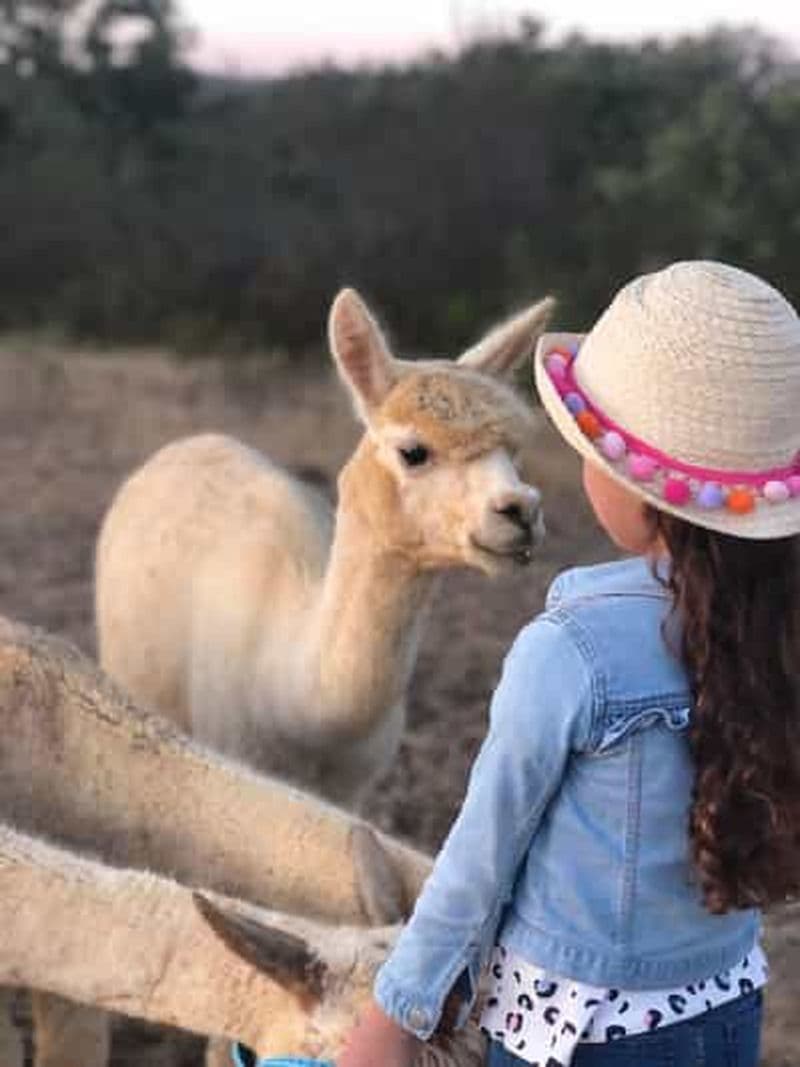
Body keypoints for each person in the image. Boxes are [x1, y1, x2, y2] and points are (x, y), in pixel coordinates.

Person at [338, 261, 800, 1067]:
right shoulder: (777, 630)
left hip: (579, 1033)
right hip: (727, 1005)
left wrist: (396, 1015)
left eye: (591, 445)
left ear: (640, 486)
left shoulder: (570, 654)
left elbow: (479, 858)